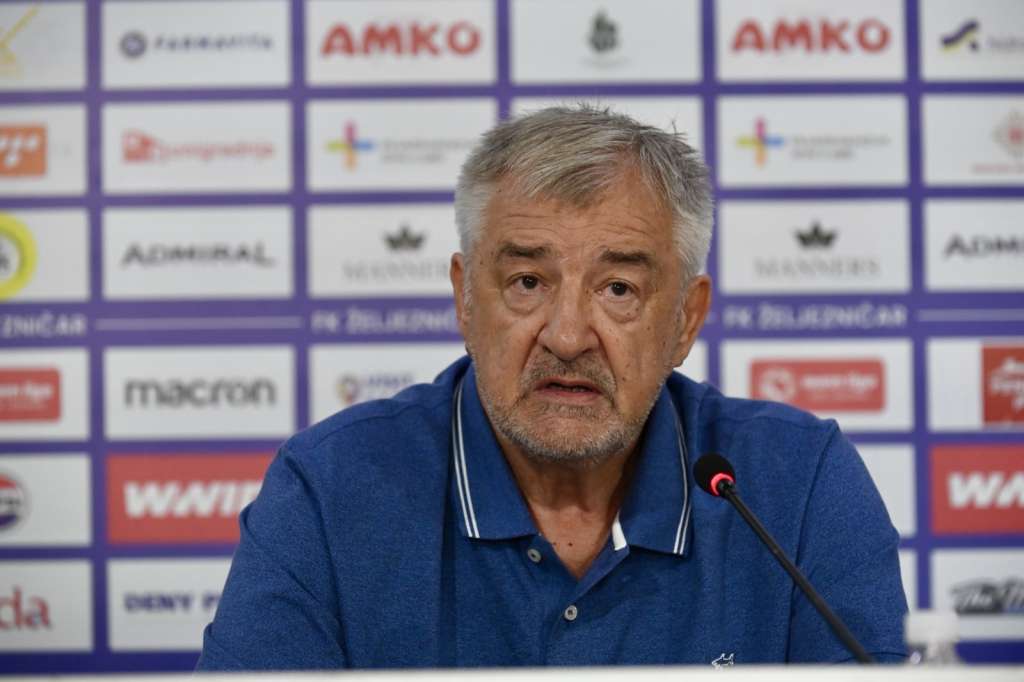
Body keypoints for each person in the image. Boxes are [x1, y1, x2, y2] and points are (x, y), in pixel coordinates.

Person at [196, 106, 907, 670]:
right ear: (465, 299)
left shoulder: (796, 485)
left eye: (618, 288)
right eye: (527, 281)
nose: (567, 336)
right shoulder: (330, 490)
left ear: (685, 321)